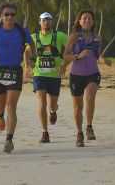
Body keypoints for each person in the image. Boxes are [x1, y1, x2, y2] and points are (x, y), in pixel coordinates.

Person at [0, 3, 33, 154]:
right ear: (1, 16)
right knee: (1, 106)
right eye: (6, 14)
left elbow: (29, 47)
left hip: (15, 70)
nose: (9, 17)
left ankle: (9, 139)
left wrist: (28, 59)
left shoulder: (22, 31)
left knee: (11, 106)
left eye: (12, 14)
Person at [63, 11, 111, 147]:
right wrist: (77, 56)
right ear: (79, 21)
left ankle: (89, 126)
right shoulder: (73, 37)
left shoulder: (97, 38)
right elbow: (66, 56)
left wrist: (103, 59)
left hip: (92, 73)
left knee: (90, 97)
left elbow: (97, 55)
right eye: (84, 18)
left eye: (89, 18)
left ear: (93, 22)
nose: (87, 20)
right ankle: (79, 133)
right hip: (76, 75)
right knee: (78, 106)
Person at [26, 12, 68, 143]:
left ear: (52, 22)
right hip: (39, 75)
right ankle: (45, 132)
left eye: (49, 20)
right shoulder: (33, 37)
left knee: (52, 104)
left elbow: (69, 50)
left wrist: (64, 64)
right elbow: (26, 52)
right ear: (40, 22)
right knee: (41, 102)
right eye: (44, 20)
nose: (46, 22)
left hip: (54, 75)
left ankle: (53, 111)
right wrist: (27, 66)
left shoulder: (60, 36)